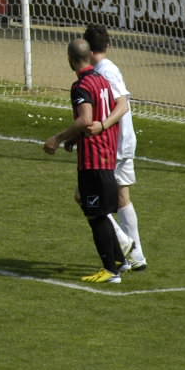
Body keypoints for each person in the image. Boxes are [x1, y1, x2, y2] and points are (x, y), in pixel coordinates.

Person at [43, 37, 128, 283]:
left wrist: (57, 139)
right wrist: (75, 139)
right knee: (100, 211)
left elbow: (85, 119)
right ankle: (120, 262)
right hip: (107, 154)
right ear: (90, 56)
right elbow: (109, 111)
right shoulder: (102, 80)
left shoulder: (80, 86)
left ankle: (110, 270)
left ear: (70, 60)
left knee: (95, 214)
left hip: (93, 159)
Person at [86, 24, 146, 270]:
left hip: (114, 144)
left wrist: (102, 125)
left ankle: (124, 245)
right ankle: (137, 257)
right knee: (122, 198)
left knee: (88, 198)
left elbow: (122, 105)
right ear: (108, 46)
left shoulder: (105, 73)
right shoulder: (107, 69)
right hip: (123, 141)